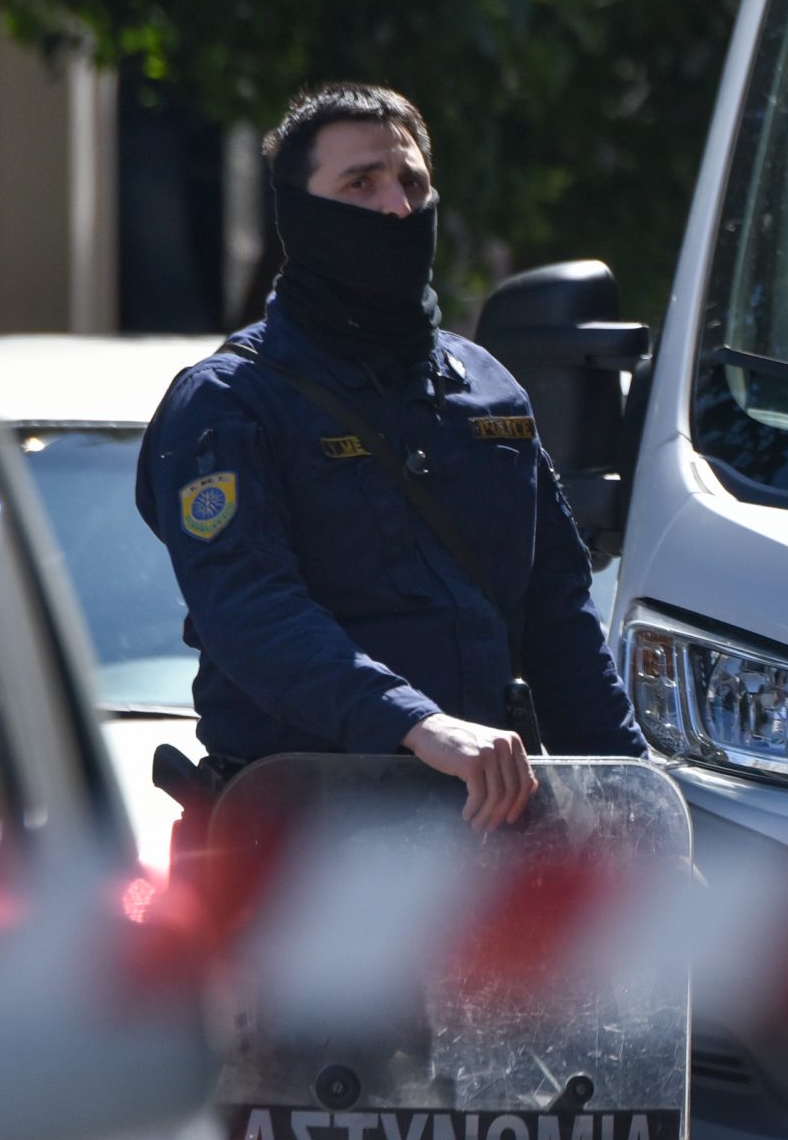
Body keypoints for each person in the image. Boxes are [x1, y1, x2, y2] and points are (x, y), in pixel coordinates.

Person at [136, 83, 644, 837]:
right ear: (298, 214)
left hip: (485, 839)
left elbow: (560, 625)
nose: (399, 207)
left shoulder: (489, 391)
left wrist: (638, 812)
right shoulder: (228, 402)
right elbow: (251, 612)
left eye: (412, 182)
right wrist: (416, 724)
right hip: (298, 846)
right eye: (361, 183)